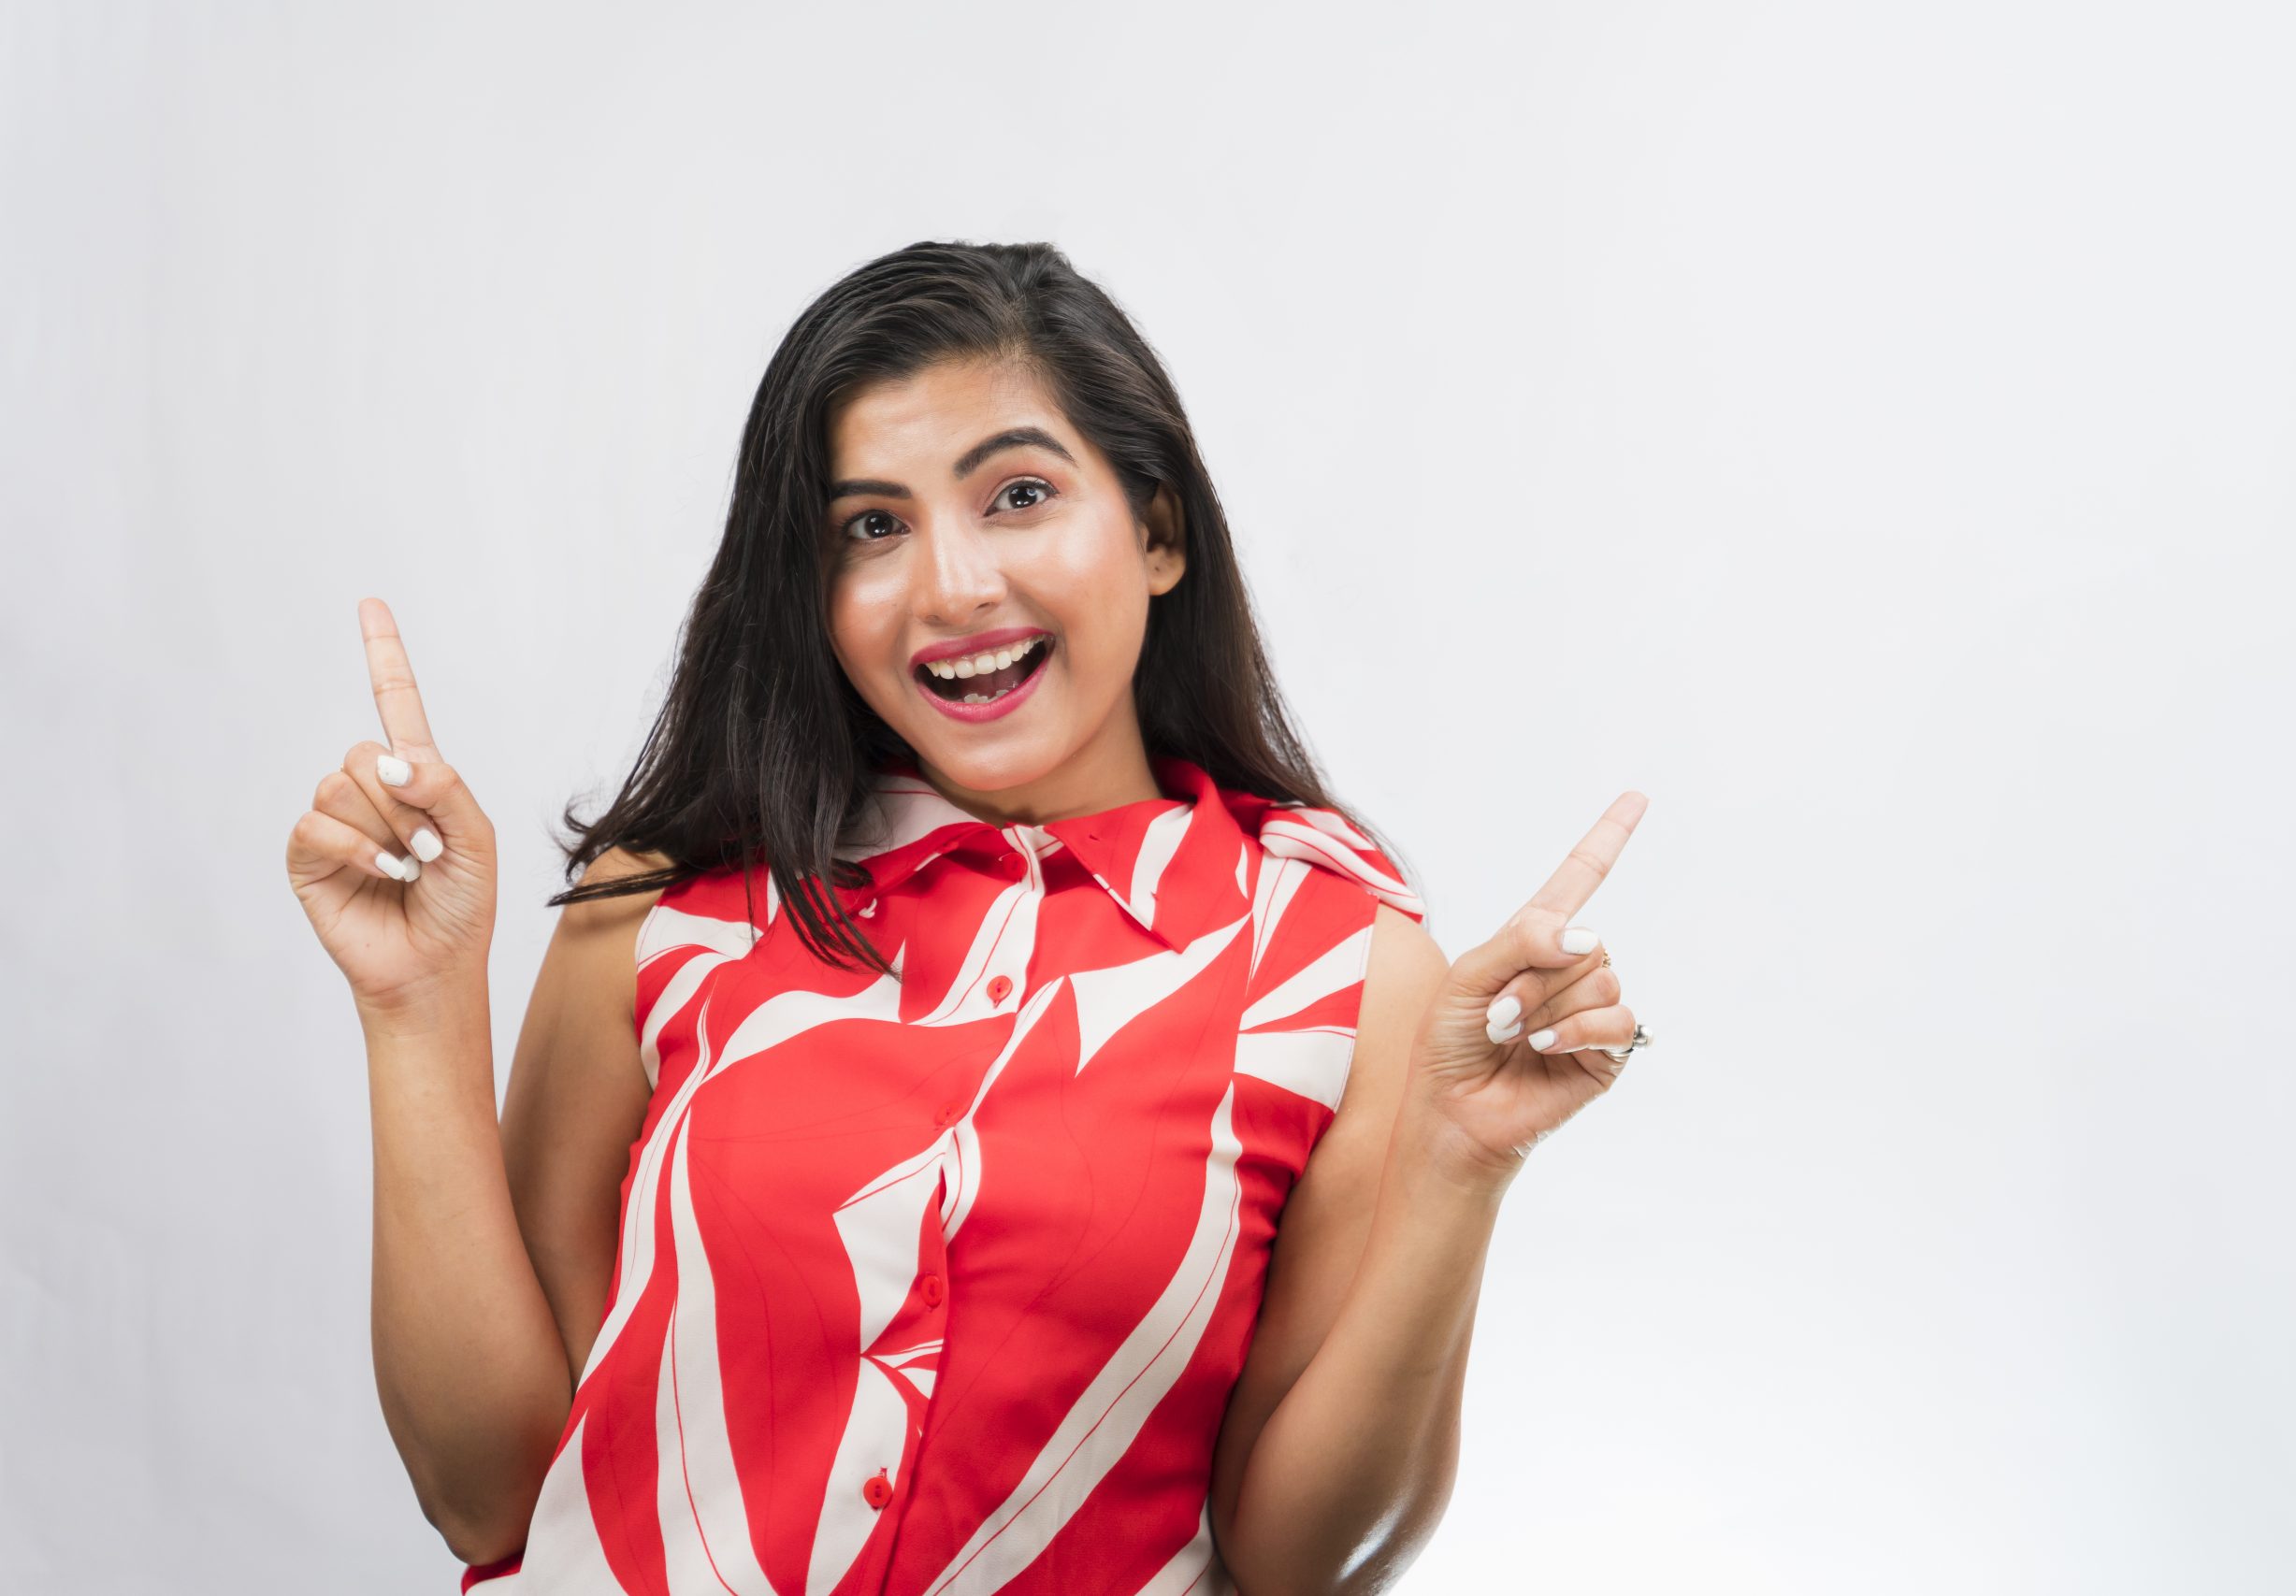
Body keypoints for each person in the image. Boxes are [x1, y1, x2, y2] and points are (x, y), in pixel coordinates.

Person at [285, 240, 1651, 1594]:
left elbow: (1306, 1561)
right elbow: (484, 1492)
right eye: (870, 527)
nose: (951, 586)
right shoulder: (666, 912)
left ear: (1158, 532)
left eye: (1016, 496)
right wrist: (415, 1010)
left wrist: (1460, 1170)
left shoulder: (1340, 973)